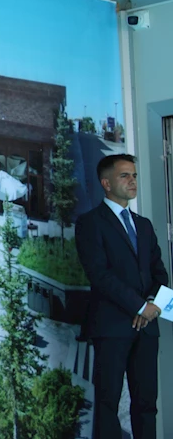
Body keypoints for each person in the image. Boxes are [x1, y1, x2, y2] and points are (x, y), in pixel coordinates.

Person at [74, 153, 168, 439]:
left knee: (147, 405)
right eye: (125, 175)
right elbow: (99, 275)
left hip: (147, 329)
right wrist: (140, 306)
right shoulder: (90, 223)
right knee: (107, 406)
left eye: (134, 175)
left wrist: (153, 307)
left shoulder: (144, 225)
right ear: (106, 183)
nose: (132, 181)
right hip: (112, 328)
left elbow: (160, 274)